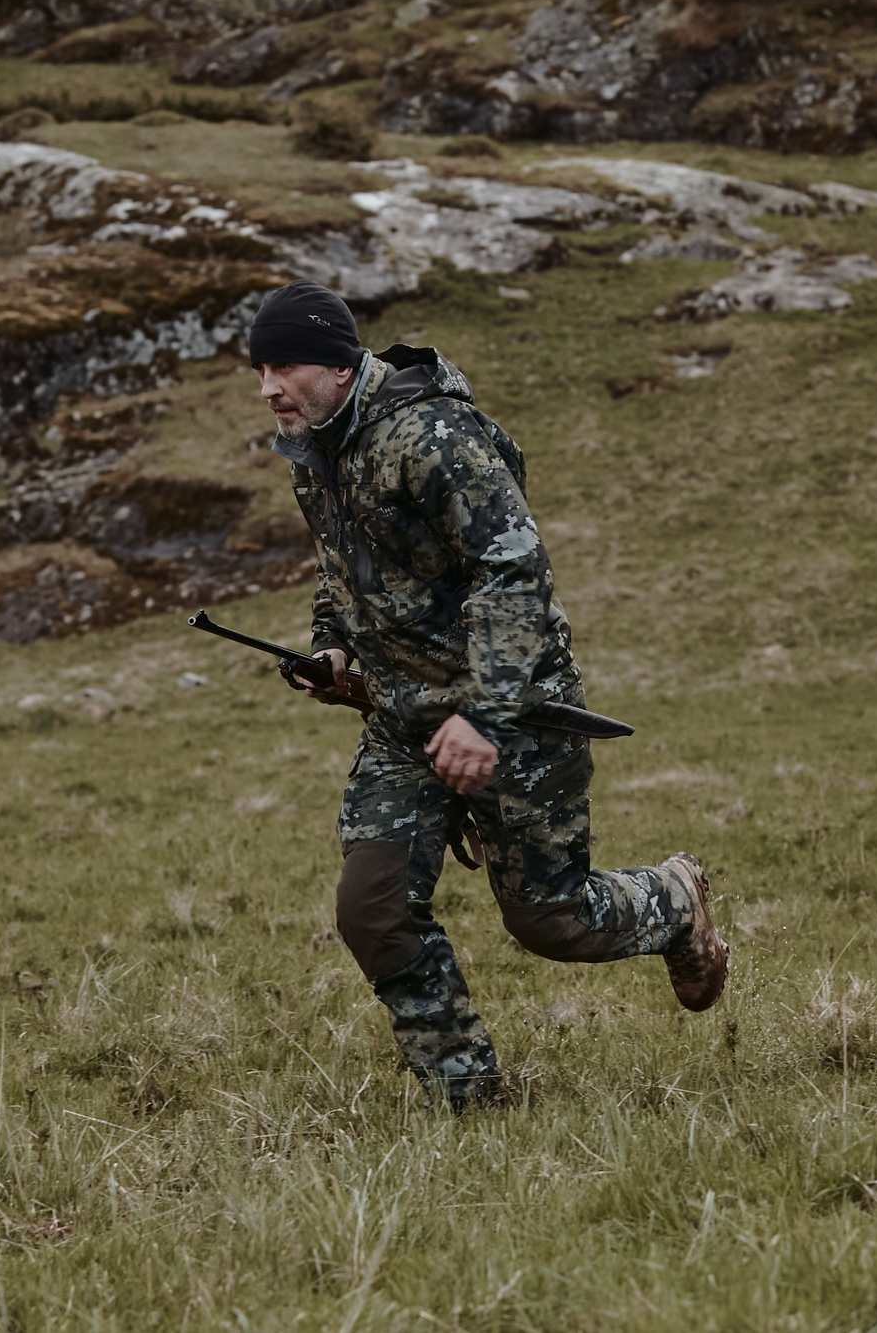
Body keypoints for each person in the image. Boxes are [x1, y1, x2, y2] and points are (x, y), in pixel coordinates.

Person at [249, 279, 729, 1110]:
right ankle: (469, 1098)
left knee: (550, 921)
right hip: (404, 723)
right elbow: (345, 575)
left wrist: (483, 714)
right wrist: (331, 647)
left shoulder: (436, 436)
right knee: (372, 909)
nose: (267, 387)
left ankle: (675, 900)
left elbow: (514, 573)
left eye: (282, 366)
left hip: (516, 713)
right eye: (258, 370)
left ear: (338, 364)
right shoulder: (315, 453)